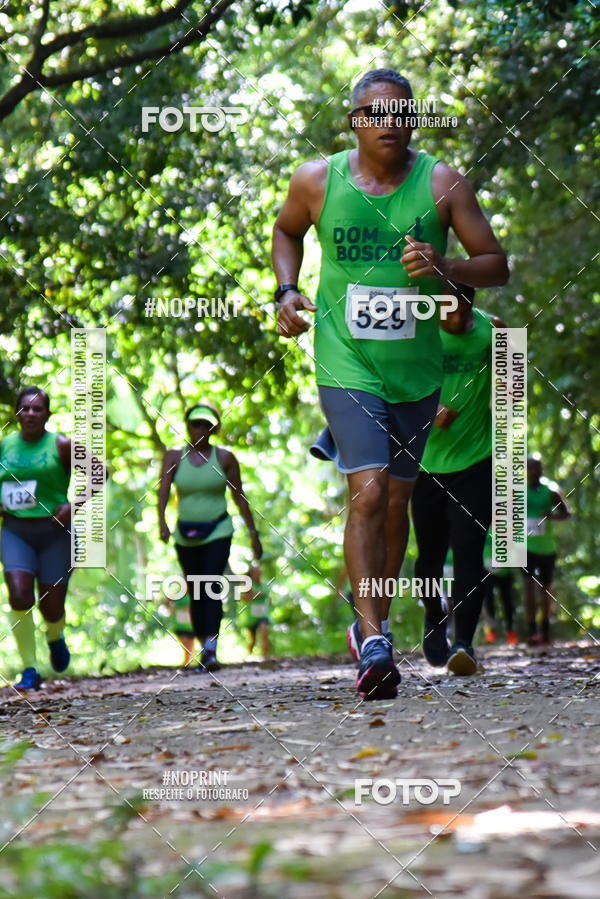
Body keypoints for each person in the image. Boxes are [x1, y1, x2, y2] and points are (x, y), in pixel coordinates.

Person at [274, 68, 508, 698]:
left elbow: (497, 265)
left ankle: (375, 613)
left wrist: (446, 263)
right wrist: (288, 289)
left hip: (417, 369)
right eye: (375, 114)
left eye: (402, 113)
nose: (391, 123)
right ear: (354, 120)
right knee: (370, 490)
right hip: (345, 358)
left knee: (398, 502)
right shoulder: (317, 180)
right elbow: (286, 231)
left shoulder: (442, 183)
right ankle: (373, 639)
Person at [411, 286, 505, 675]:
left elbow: (512, 392)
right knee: (427, 560)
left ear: (471, 304)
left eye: (459, 309)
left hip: (476, 462)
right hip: (425, 465)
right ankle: (435, 616)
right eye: (444, 309)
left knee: (469, 553)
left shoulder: (494, 331)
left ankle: (464, 644)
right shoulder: (420, 333)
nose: (452, 317)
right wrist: (430, 408)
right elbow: (398, 383)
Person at [0, 387, 98, 691]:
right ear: (16, 413)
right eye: (24, 409)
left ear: (48, 414)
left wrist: (74, 505)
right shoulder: (5, 446)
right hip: (15, 530)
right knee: (19, 594)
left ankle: (55, 635)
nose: (30, 414)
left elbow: (99, 472)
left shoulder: (62, 445)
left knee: (51, 606)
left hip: (55, 532)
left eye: (37, 409)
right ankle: (29, 669)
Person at [158, 402, 262, 672]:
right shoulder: (173, 457)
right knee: (195, 589)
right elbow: (164, 491)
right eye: (196, 424)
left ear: (214, 428)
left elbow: (239, 497)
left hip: (218, 530)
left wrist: (254, 533)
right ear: (188, 427)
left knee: (211, 584)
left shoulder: (225, 458)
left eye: (207, 424)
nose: (201, 429)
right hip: (185, 533)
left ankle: (212, 649)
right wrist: (162, 522)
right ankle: (204, 646)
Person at [523, 454, 571, 645]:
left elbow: (566, 513)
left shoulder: (551, 490)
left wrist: (551, 517)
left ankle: (545, 629)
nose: (535, 471)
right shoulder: (517, 491)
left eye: (538, 468)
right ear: (526, 470)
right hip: (525, 547)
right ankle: (532, 631)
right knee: (528, 587)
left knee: (545, 589)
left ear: (542, 469)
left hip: (547, 549)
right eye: (531, 468)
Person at [482, 529, 518, 645]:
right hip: (487, 570)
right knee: (488, 600)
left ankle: (510, 630)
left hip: (505, 570)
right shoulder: (483, 528)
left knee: (507, 600)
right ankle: (491, 630)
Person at [240, 563, 271, 658]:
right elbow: (244, 598)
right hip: (252, 615)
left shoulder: (265, 583)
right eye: (255, 572)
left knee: (264, 632)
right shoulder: (248, 584)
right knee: (252, 638)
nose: (258, 573)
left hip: (263, 613)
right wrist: (257, 594)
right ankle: (249, 655)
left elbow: (268, 598)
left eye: (259, 571)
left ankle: (265, 656)